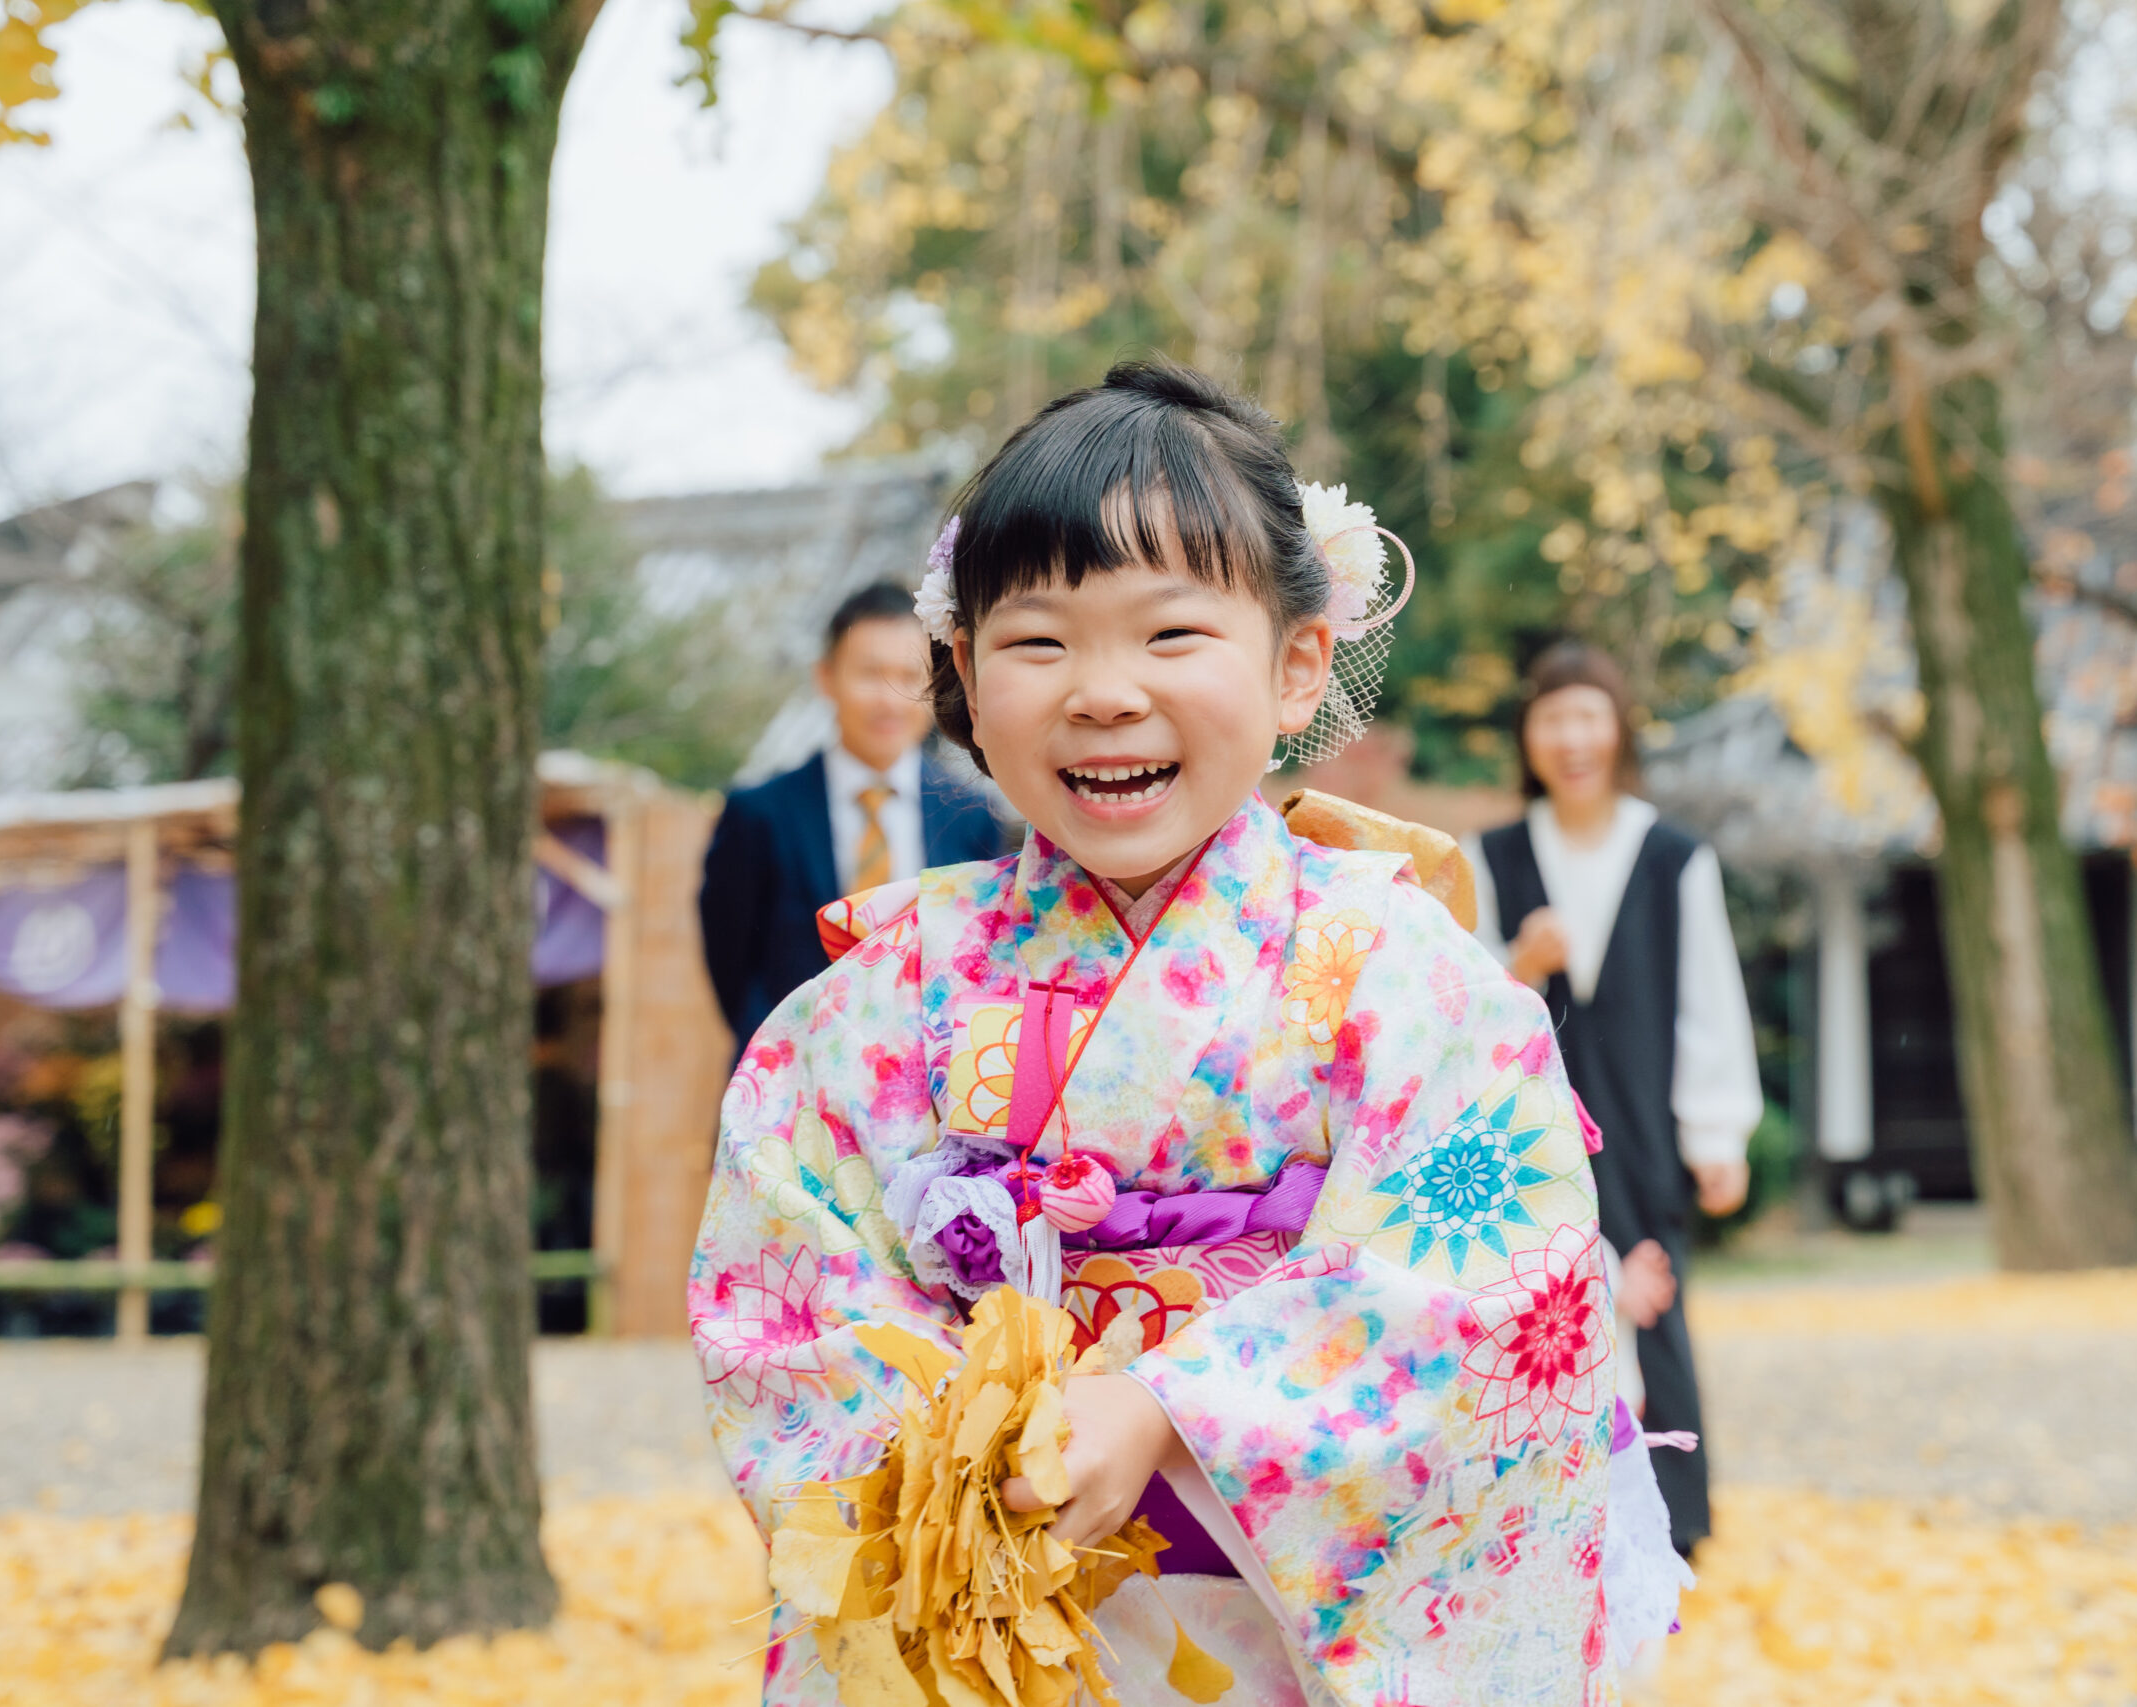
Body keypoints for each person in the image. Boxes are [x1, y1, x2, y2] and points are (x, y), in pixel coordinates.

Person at [690, 361, 1687, 1707]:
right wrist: (976, 1461)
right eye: (1038, 641)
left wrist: (1170, 1404)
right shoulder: (873, 1003)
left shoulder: (1407, 977)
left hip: (1290, 1627)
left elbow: (1489, 1278)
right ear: (968, 685)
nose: (1103, 691)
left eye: (1169, 635)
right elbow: (788, 1281)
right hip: (1006, 1611)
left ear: (1295, 666)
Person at [1461, 642, 1763, 1555]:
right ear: (1529, 737)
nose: (1572, 737)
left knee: (1656, 1303)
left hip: (1642, 1122)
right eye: (1553, 718)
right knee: (1538, 1308)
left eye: (1588, 716)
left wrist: (1718, 1133)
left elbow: (1709, 1003)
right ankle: (1549, 1511)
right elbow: (1463, 1000)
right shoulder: (1494, 855)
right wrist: (1523, 967)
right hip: (1535, 1126)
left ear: (1618, 730)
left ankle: (1675, 1526)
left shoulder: (1674, 857)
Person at [698, 582, 1010, 1051]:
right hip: (791, 1076)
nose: (889, 699)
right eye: (869, 674)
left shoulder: (973, 816)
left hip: (928, 1078)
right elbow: (729, 964)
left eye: (909, 675)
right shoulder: (758, 815)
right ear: (826, 678)